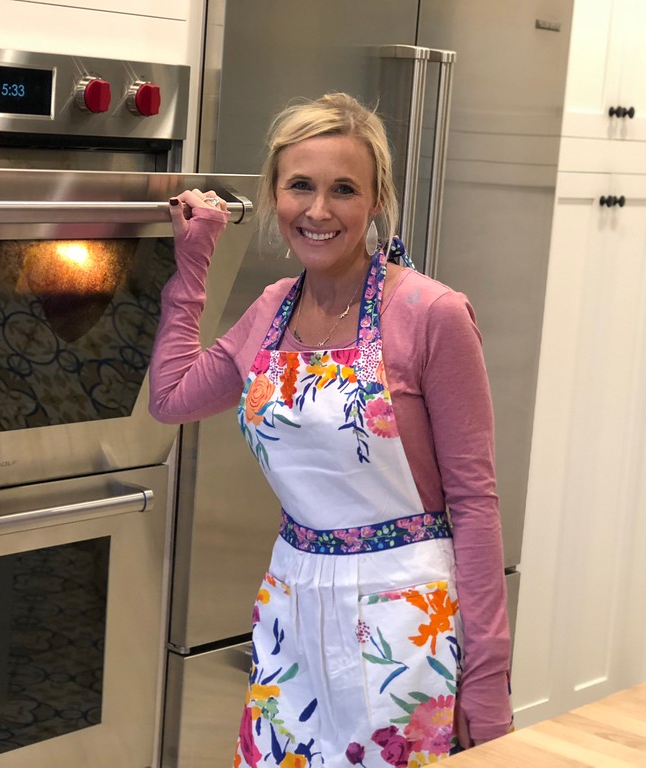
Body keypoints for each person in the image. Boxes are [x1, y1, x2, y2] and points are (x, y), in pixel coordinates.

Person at [150, 92, 511, 766]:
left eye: (343, 189)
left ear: (376, 200)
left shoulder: (431, 313)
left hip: (408, 626)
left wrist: (487, 686)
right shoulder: (270, 309)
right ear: (274, 195)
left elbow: (476, 503)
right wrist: (193, 265)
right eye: (300, 187)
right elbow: (170, 398)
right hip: (295, 612)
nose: (318, 211)